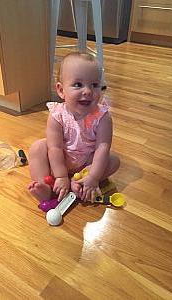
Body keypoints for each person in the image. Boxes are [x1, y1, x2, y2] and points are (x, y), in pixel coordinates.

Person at [28, 52, 119, 203]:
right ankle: (45, 186)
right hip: (60, 160)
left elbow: (102, 148)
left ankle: (81, 183)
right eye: (78, 85)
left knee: (113, 161)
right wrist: (61, 175)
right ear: (61, 90)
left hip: (86, 164)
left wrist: (93, 177)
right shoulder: (57, 115)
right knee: (37, 148)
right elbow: (55, 148)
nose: (88, 91)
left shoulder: (103, 117)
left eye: (94, 85)